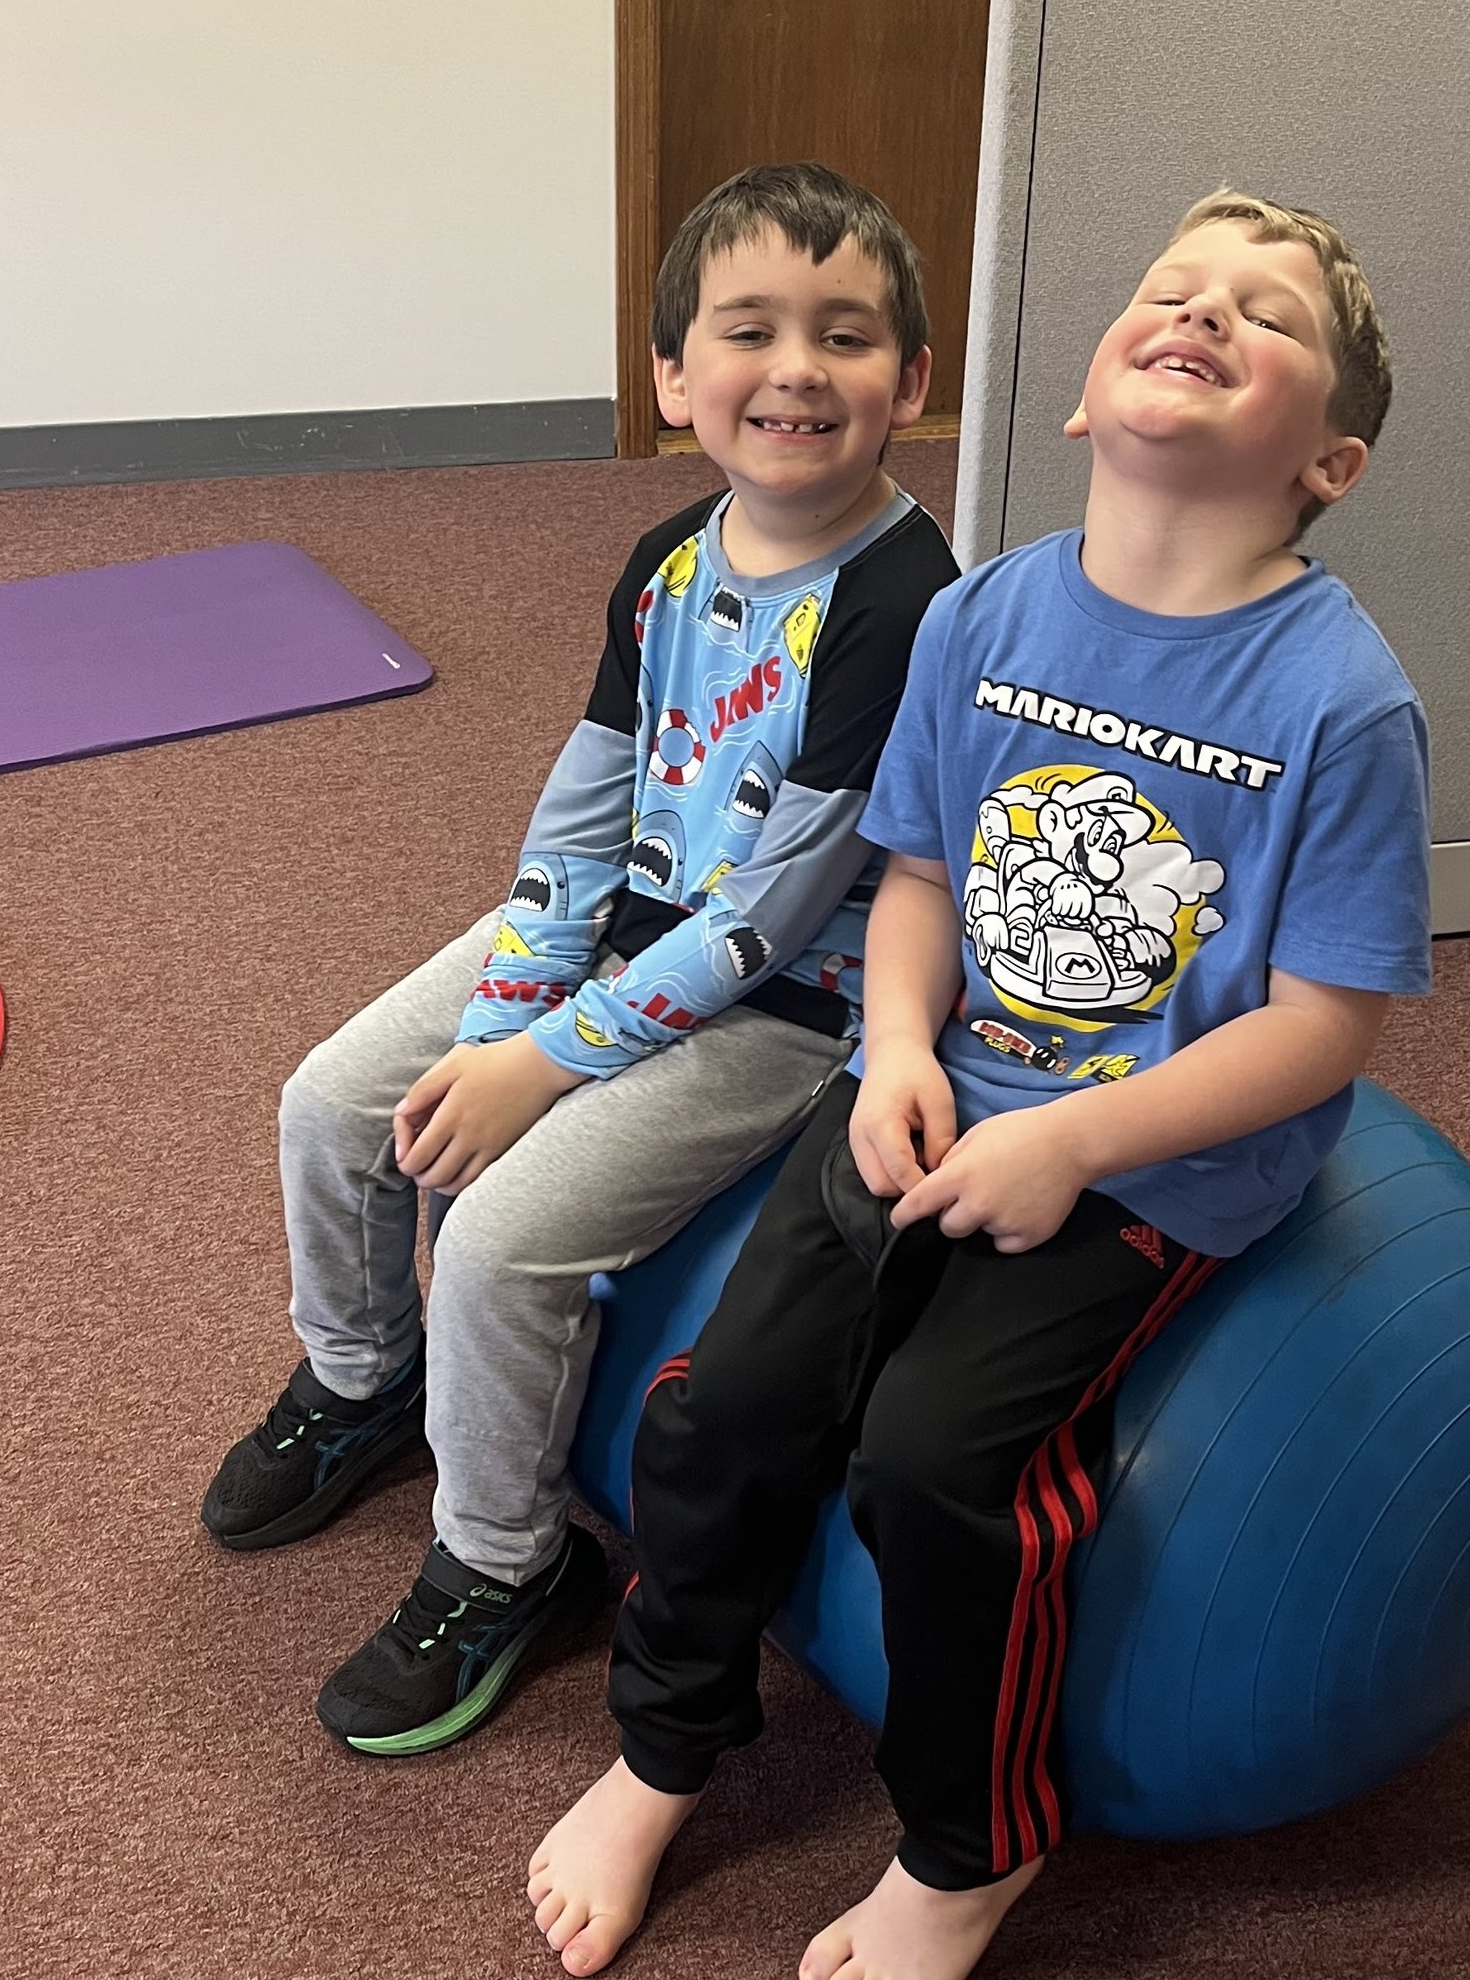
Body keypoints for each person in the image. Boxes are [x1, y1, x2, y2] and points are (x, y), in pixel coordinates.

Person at [529, 188, 1433, 1980]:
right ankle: (666, 1744)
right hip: (934, 1090)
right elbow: (924, 876)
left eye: (1263, 314)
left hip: (1161, 1160)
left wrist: (1076, 1140)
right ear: (1090, 393)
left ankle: (971, 1841)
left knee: (934, 1464)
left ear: (1329, 461)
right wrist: (900, 1045)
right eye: (1172, 287)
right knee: (719, 1409)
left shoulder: (1342, 702)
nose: (1202, 312)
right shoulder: (984, 611)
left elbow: (1328, 1024)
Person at [203, 162, 959, 1757]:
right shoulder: (671, 560)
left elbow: (771, 912)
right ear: (676, 377)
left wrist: (542, 1069)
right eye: (749, 330)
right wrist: (504, 1015)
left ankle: (505, 1559)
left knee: (497, 1239)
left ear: (911, 380)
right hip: (623, 915)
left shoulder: (903, 603)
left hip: (783, 1000)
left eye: (845, 334)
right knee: (334, 1101)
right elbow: (586, 803)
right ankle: (364, 1376)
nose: (798, 368)